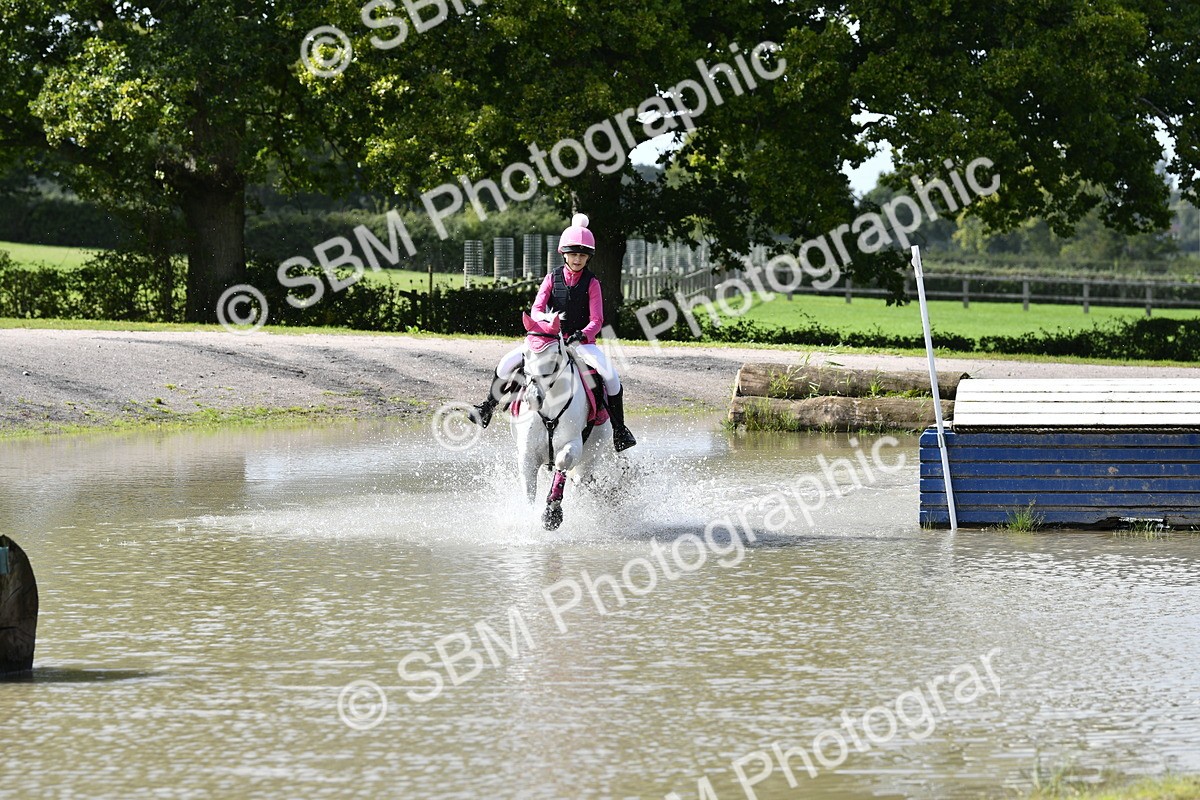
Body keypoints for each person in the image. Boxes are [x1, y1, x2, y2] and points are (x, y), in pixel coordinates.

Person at [467, 213, 637, 452]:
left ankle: (620, 430)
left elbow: (597, 320)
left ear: (588, 257)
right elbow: (537, 307)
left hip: (580, 342)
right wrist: (543, 327)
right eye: (573, 254)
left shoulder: (592, 283)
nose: (577, 259)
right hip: (547, 340)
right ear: (564, 254)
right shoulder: (551, 278)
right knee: (506, 363)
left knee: (611, 377)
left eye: (582, 255)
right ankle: (487, 407)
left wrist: (582, 334)